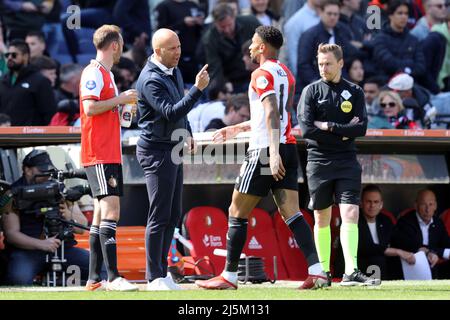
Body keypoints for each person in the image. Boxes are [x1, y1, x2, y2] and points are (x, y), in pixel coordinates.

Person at [196, 26, 329, 291]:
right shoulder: (286, 74)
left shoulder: (260, 73)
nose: (249, 47)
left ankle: (229, 277)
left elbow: (270, 112)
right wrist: (238, 128)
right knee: (292, 212)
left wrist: (273, 153)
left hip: (266, 151)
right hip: (287, 146)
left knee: (236, 211)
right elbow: (278, 114)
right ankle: (318, 272)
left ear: (263, 48)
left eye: (253, 43)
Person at [297, 43, 379, 286]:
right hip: (319, 161)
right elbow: (307, 130)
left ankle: (351, 271)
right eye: (320, 64)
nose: (323, 68)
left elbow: (361, 127)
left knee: (350, 213)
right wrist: (343, 131)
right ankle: (322, 271)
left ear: (341, 63)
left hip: (346, 160)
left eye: (328, 64)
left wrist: (330, 126)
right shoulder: (310, 91)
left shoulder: (354, 91)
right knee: (322, 218)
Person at [135, 28, 210, 290]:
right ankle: (153, 276)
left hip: (172, 147)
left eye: (178, 47)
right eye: (172, 48)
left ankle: (162, 271)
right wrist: (198, 90)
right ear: (157, 51)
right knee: (159, 215)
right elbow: (170, 111)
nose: (178, 53)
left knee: (172, 213)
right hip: (155, 150)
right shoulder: (150, 79)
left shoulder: (174, 71)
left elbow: (180, 111)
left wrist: (187, 132)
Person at [79, 25, 138, 292]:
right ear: (115, 45)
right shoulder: (93, 72)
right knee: (112, 210)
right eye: (122, 43)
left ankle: (94, 279)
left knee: (100, 214)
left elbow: (108, 111)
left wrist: (124, 108)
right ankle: (113, 277)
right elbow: (90, 108)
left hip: (106, 150)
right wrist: (120, 99)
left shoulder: (106, 74)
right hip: (99, 151)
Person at [2, 150, 91, 285]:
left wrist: (68, 215)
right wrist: (43, 244)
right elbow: (11, 234)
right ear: (27, 170)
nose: (46, 175)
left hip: (63, 250)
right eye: (42, 170)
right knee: (18, 279)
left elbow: (82, 226)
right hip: (28, 252)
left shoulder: (59, 189)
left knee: (99, 266)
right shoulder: (13, 194)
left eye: (48, 170)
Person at [358, 184, 415, 280]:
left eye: (376, 202)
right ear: (361, 203)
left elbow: (399, 240)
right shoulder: (353, 220)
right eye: (368, 202)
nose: (372, 205)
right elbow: (366, 247)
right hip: (361, 269)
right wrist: (398, 252)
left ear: (381, 205)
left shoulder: (385, 220)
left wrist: (421, 249)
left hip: (383, 270)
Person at [200, 3, 260, 93]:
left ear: (234, 17)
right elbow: (214, 66)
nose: (227, 30)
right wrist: (222, 85)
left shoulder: (250, 22)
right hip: (233, 81)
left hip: (258, 72)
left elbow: (268, 42)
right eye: (222, 27)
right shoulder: (210, 38)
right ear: (215, 23)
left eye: (229, 25)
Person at [390, 189, 450, 279]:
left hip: (433, 270)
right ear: (416, 205)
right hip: (408, 270)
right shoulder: (405, 222)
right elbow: (412, 246)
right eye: (423, 204)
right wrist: (434, 252)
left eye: (431, 204)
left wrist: (435, 252)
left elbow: (446, 244)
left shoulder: (438, 223)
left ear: (435, 206)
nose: (427, 209)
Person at [0, 39, 56, 125]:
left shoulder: (40, 81)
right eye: (7, 55)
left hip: (29, 136)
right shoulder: (2, 80)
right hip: (4, 135)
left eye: (14, 55)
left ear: (25, 56)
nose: (10, 58)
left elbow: (49, 113)